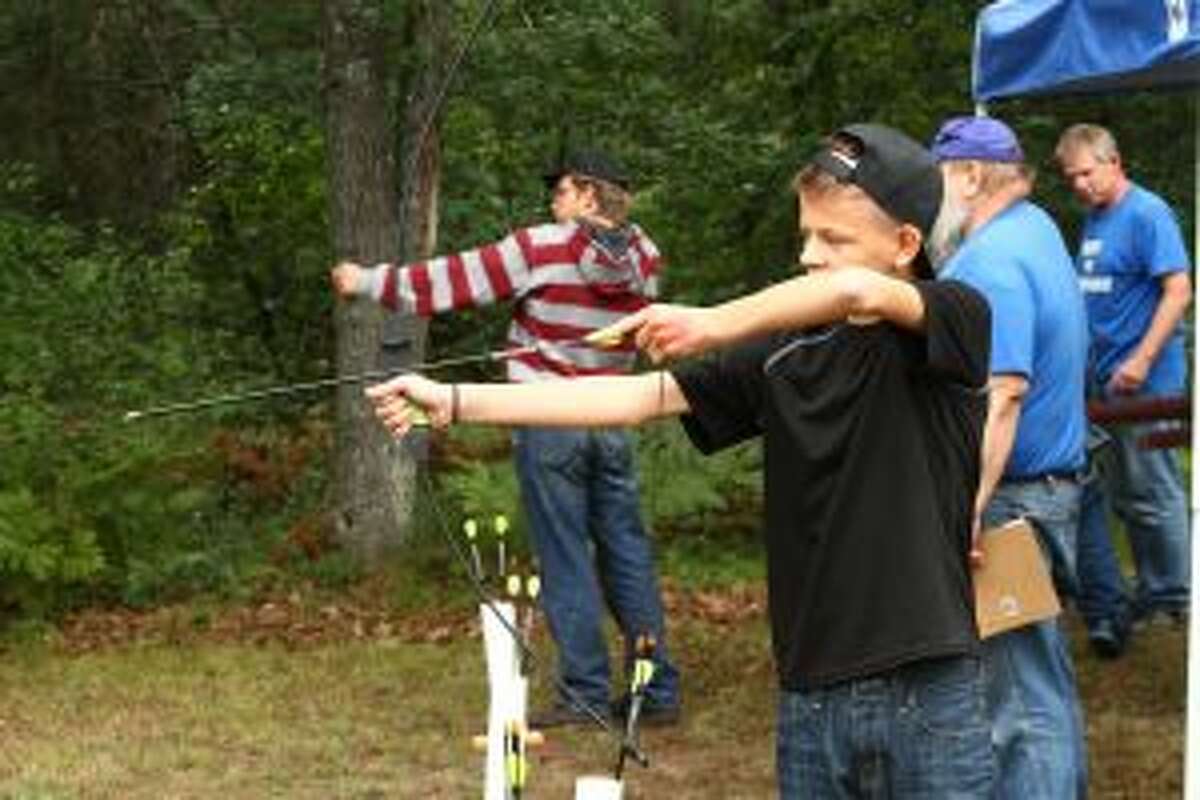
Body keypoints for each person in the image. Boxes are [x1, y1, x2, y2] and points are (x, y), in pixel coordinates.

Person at [366, 123, 996, 798]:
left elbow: (858, 295)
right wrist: (454, 400)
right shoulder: (787, 351)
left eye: (835, 240)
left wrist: (715, 320)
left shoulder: (954, 319)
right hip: (810, 691)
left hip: (928, 687)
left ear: (905, 245)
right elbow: (636, 397)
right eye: (806, 235)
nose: (811, 255)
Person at [330, 149, 681, 728]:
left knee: (564, 555)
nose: (554, 201)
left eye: (563, 191)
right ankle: (657, 690)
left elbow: (445, 283)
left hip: (550, 425)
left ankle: (585, 695)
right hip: (613, 422)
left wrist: (364, 281)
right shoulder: (646, 255)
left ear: (590, 196)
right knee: (626, 552)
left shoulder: (541, 245)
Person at [931, 115, 1089, 799]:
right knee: (1037, 682)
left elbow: (1004, 395)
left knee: (1020, 701)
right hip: (1042, 489)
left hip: (1010, 500)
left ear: (969, 176)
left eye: (939, 177)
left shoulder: (991, 259)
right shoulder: (1037, 228)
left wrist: (966, 508)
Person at [1055, 123, 1192, 635]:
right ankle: (1151, 589)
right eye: (1071, 178)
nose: (1080, 185)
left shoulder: (1147, 213)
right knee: (1128, 492)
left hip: (1148, 383)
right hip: (1103, 382)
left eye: (1087, 173)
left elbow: (1179, 291)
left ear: (1114, 162)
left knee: (1156, 489)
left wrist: (1141, 357)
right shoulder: (1095, 218)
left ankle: (1176, 596)